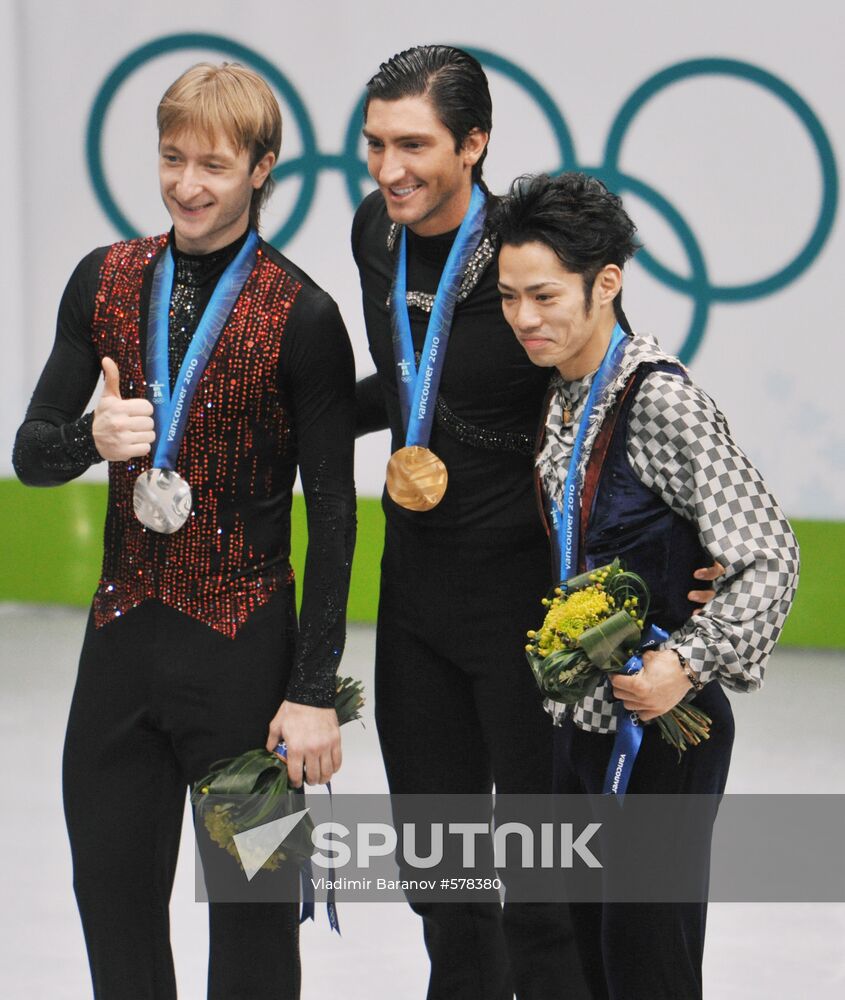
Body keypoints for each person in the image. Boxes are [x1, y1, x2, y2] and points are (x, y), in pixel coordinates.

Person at [351, 46, 717, 1000]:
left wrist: (692, 556)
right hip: (415, 595)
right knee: (440, 870)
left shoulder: (521, 258)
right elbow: (406, 375)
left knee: (542, 883)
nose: (390, 169)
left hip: (525, 598)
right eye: (375, 144)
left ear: (473, 146)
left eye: (415, 144)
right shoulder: (374, 235)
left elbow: (613, 395)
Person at [13, 63, 356, 1000]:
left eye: (213, 164)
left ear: (263, 169)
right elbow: (29, 453)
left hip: (246, 657)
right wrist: (91, 437)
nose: (187, 185)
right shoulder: (107, 278)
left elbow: (332, 516)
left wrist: (312, 689)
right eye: (172, 159)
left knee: (255, 931)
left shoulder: (305, 315)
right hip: (121, 646)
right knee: (113, 907)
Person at [492, 170, 799, 999]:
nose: (524, 318)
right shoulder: (563, 393)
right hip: (580, 723)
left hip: (663, 731)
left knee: (646, 959)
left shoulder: (658, 400)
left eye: (545, 296)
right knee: (588, 957)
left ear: (606, 284)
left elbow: (770, 556)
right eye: (510, 296)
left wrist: (685, 664)